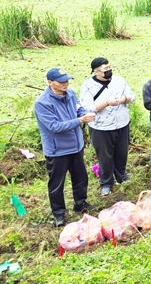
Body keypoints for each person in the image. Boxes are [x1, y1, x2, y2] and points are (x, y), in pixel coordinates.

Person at [35, 68, 95, 227]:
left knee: (81, 177)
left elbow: (78, 108)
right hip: (57, 151)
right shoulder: (42, 103)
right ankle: (59, 214)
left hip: (76, 147)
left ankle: (80, 203)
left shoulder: (71, 94)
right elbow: (54, 126)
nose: (66, 84)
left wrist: (84, 113)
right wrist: (80, 120)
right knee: (56, 184)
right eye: (61, 82)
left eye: (67, 80)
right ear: (50, 83)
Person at [80, 57, 135, 196]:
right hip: (101, 127)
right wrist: (106, 103)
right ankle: (106, 182)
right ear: (96, 71)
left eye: (110, 68)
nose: (109, 71)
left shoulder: (119, 81)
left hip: (121, 124)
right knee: (105, 156)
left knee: (122, 153)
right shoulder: (88, 86)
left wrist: (125, 99)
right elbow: (87, 108)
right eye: (105, 70)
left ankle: (121, 176)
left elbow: (132, 96)